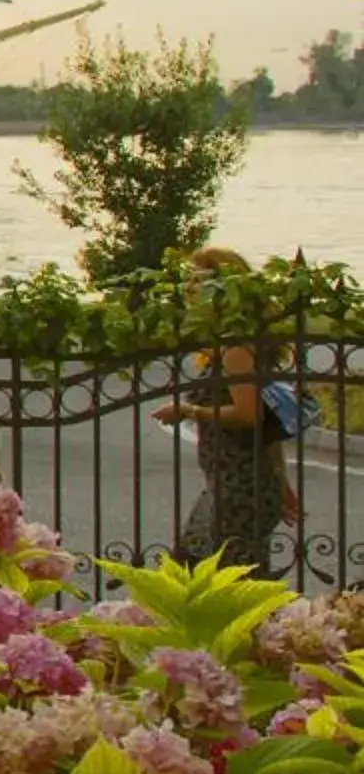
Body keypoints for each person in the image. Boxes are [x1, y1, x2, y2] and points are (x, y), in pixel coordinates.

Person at [153, 246, 296, 574]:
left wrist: (189, 411)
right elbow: (269, 427)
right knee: (191, 569)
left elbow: (250, 416)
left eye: (198, 281)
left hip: (241, 488)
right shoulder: (231, 343)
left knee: (227, 582)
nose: (190, 289)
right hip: (229, 484)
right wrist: (282, 483)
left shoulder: (236, 348)